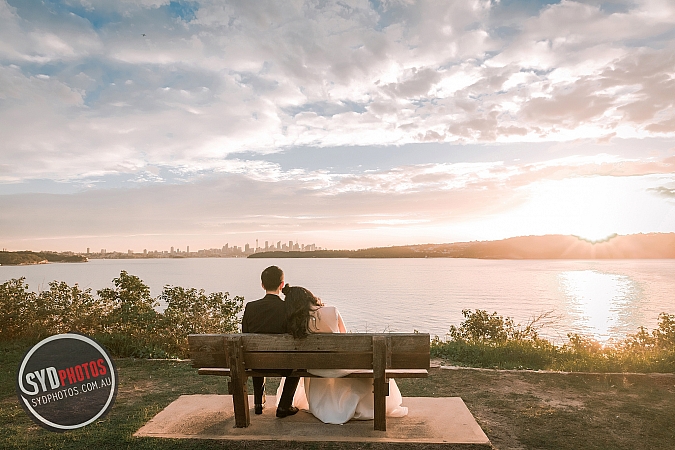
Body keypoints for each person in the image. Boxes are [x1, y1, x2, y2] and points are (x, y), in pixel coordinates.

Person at [276, 285, 408, 424]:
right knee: (368, 368)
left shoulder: (297, 322)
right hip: (338, 364)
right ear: (309, 297)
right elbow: (345, 338)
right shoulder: (332, 311)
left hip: (314, 367)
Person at [241, 266, 300, 418]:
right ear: (282, 284)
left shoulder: (250, 307)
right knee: (299, 364)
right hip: (284, 364)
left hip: (256, 362)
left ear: (262, 285)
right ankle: (284, 405)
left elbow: (245, 334)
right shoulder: (288, 308)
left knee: (256, 353)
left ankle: (258, 403)